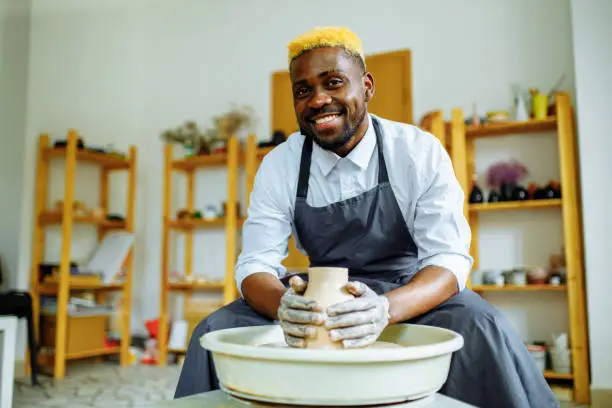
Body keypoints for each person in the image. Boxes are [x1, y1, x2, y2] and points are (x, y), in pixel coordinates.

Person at [174, 26, 559, 408]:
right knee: (215, 329)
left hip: (406, 293)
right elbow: (255, 264)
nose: (318, 100)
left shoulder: (417, 151)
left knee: (480, 324)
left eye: (334, 82)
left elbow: (449, 259)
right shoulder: (281, 163)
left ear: (368, 86)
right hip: (318, 298)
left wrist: (384, 309)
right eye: (303, 90)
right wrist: (283, 306)